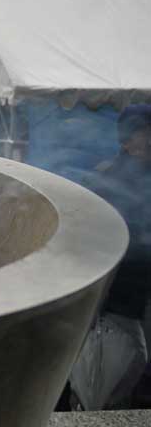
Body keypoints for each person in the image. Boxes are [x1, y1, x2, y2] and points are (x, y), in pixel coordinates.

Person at [69, 105, 151, 410]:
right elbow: (93, 242)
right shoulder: (108, 180)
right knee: (101, 389)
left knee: (119, 384)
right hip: (114, 303)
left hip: (135, 298)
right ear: (127, 141)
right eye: (145, 135)